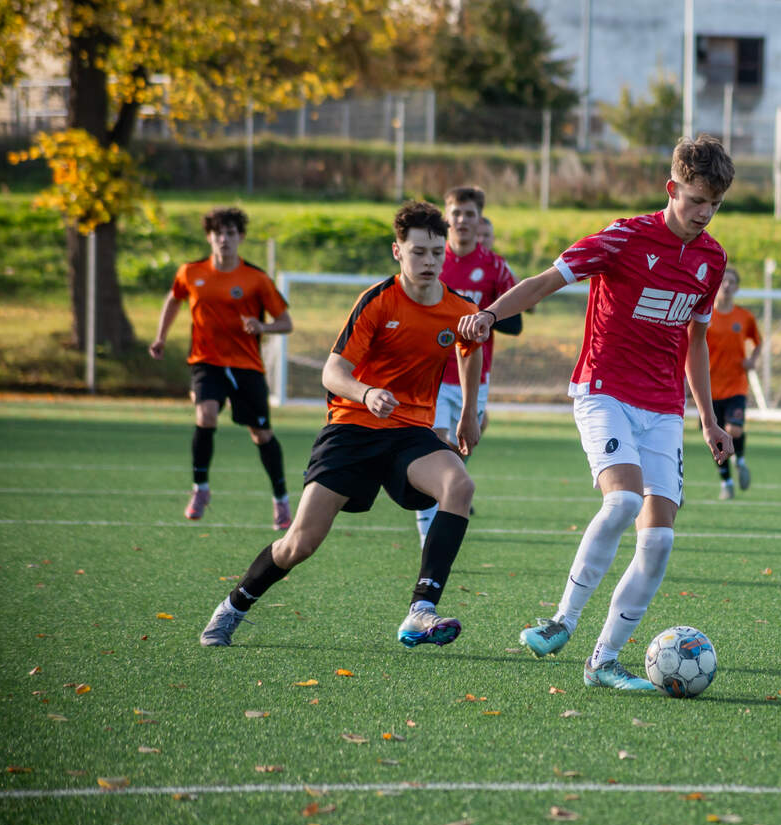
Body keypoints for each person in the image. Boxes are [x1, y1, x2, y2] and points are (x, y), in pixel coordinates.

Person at [459, 134, 736, 691]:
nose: (704, 213)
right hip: (603, 389)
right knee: (624, 500)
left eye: (714, 203)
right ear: (672, 188)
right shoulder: (624, 237)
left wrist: (707, 419)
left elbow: (696, 341)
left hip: (663, 407)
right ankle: (561, 620)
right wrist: (489, 314)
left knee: (659, 542)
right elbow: (543, 282)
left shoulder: (712, 260)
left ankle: (603, 661)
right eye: (695, 200)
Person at [199, 200, 484, 648]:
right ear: (398, 251)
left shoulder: (458, 308)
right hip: (351, 428)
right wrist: (367, 393)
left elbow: (469, 348)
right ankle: (233, 606)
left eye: (436, 252)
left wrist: (467, 414)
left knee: (459, 485)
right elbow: (332, 372)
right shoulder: (378, 301)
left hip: (409, 431)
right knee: (300, 543)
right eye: (418, 252)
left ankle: (421, 610)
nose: (429, 261)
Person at [149, 207, 294, 530]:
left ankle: (281, 500)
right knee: (206, 415)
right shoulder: (190, 272)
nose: (224, 239)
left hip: (246, 366)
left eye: (230, 233)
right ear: (209, 237)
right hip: (206, 361)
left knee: (261, 434)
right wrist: (161, 337)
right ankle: (200, 488)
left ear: (240, 237)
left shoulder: (256, 279)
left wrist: (262, 327)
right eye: (218, 233)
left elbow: (286, 322)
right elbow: (173, 299)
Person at [413, 187, 520, 546]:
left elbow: (516, 320)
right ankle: (429, 540)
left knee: (460, 450)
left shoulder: (494, 266)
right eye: (456, 213)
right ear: (446, 217)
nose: (461, 220)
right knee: (436, 448)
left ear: (479, 219)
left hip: (474, 376)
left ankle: (444, 502)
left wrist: (485, 316)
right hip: (432, 373)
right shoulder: (432, 260)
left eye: (469, 214)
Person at [706, 267, 761, 500]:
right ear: (716, 285)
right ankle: (726, 482)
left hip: (736, 385)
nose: (727, 285)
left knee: (733, 430)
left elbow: (758, 342)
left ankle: (740, 460)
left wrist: (752, 360)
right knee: (716, 437)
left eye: (731, 282)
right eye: (723, 281)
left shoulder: (744, 317)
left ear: (737, 287)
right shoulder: (704, 315)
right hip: (709, 388)